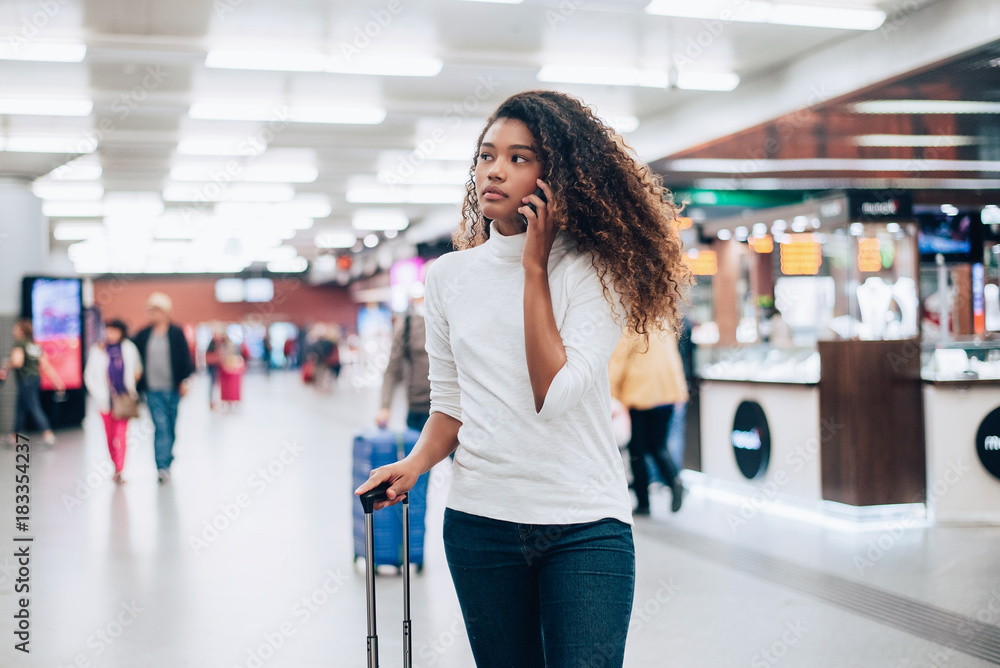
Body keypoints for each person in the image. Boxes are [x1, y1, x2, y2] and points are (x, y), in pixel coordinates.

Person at [356, 90, 689, 667]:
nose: (495, 170)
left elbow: (555, 394)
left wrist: (534, 267)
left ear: (556, 174)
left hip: (583, 524)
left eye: (519, 157)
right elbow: (451, 403)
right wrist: (414, 464)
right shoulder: (448, 277)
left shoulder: (593, 270)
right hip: (481, 523)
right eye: (487, 155)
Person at [609, 326, 689, 515]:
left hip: (640, 394)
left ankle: (644, 503)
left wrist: (611, 396)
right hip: (667, 395)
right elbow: (674, 358)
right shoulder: (664, 323)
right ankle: (674, 480)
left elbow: (618, 363)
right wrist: (680, 392)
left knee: (637, 451)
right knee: (657, 445)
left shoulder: (631, 325)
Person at [132, 292, 195, 484]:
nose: (151, 314)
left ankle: (167, 455)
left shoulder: (176, 333)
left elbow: (185, 359)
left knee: (171, 427)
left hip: (173, 389)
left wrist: (185, 381)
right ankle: (162, 466)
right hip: (152, 390)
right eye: (149, 310)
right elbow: (128, 351)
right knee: (161, 427)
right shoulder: (143, 335)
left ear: (165, 312)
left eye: (155, 310)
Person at [84, 320, 142, 484]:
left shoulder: (129, 348)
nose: (111, 334)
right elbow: (89, 376)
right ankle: (114, 465)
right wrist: (98, 394)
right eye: (108, 331)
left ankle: (120, 469)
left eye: (114, 331)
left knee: (121, 435)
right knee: (109, 437)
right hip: (105, 401)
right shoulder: (98, 350)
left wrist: (131, 384)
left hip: (123, 399)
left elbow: (137, 369)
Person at [2, 318, 64, 446]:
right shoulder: (34, 346)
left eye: (16, 328)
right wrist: (57, 381)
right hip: (35, 379)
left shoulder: (20, 344)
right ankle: (13, 436)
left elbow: (17, 362)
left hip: (25, 380)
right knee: (20, 408)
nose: (14, 330)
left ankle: (48, 435)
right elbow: (45, 365)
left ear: (21, 330)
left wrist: (6, 365)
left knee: (33, 407)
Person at [376, 303, 431, 433]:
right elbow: (392, 370)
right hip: (419, 409)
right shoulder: (408, 324)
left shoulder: (452, 319)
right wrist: (385, 407)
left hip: (454, 408)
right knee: (419, 452)